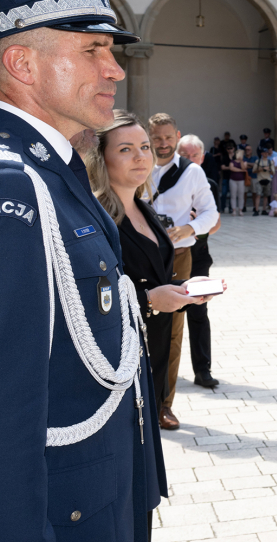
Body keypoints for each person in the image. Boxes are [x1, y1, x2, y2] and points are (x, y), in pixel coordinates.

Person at [0, 0, 165, 542]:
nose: (116, 70)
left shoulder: (46, 170)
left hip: (90, 498)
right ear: (22, 64)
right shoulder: (2, 185)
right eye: (93, 50)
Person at [87, 110, 223, 409]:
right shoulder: (93, 217)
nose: (141, 157)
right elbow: (86, 299)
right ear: (101, 157)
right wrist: (148, 300)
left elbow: (150, 276)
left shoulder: (144, 209)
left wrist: (184, 287)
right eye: (126, 149)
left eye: (144, 147)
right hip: (117, 367)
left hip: (153, 359)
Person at [148, 113, 220, 428]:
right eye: (156, 138)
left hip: (178, 256)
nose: (163, 144)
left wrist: (188, 228)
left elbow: (210, 213)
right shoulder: (139, 165)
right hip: (141, 255)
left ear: (176, 136)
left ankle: (164, 404)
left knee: (173, 331)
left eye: (168, 137)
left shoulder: (192, 172)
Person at [176, 135, 223, 390]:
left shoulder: (209, 184)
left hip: (199, 258)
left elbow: (216, 223)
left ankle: (203, 370)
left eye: (194, 155)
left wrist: (196, 228)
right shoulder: (164, 181)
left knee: (199, 312)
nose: (190, 160)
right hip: (170, 258)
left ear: (202, 158)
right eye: (185, 155)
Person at [253, 147, 274, 215]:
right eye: (264, 153)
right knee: (258, 195)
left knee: (266, 196)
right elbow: (254, 171)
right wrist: (261, 169)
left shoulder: (270, 162)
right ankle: (256, 210)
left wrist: (269, 169)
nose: (265, 154)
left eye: (266, 153)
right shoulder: (258, 161)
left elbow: (273, 172)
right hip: (260, 180)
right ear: (261, 153)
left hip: (267, 180)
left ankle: (264, 210)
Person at [227, 148, 246, 215]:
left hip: (241, 180)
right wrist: (241, 170)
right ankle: (234, 210)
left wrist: (241, 161)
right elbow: (231, 168)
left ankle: (240, 210)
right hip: (233, 180)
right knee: (233, 195)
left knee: (241, 195)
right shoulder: (232, 161)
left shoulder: (244, 162)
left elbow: (244, 168)